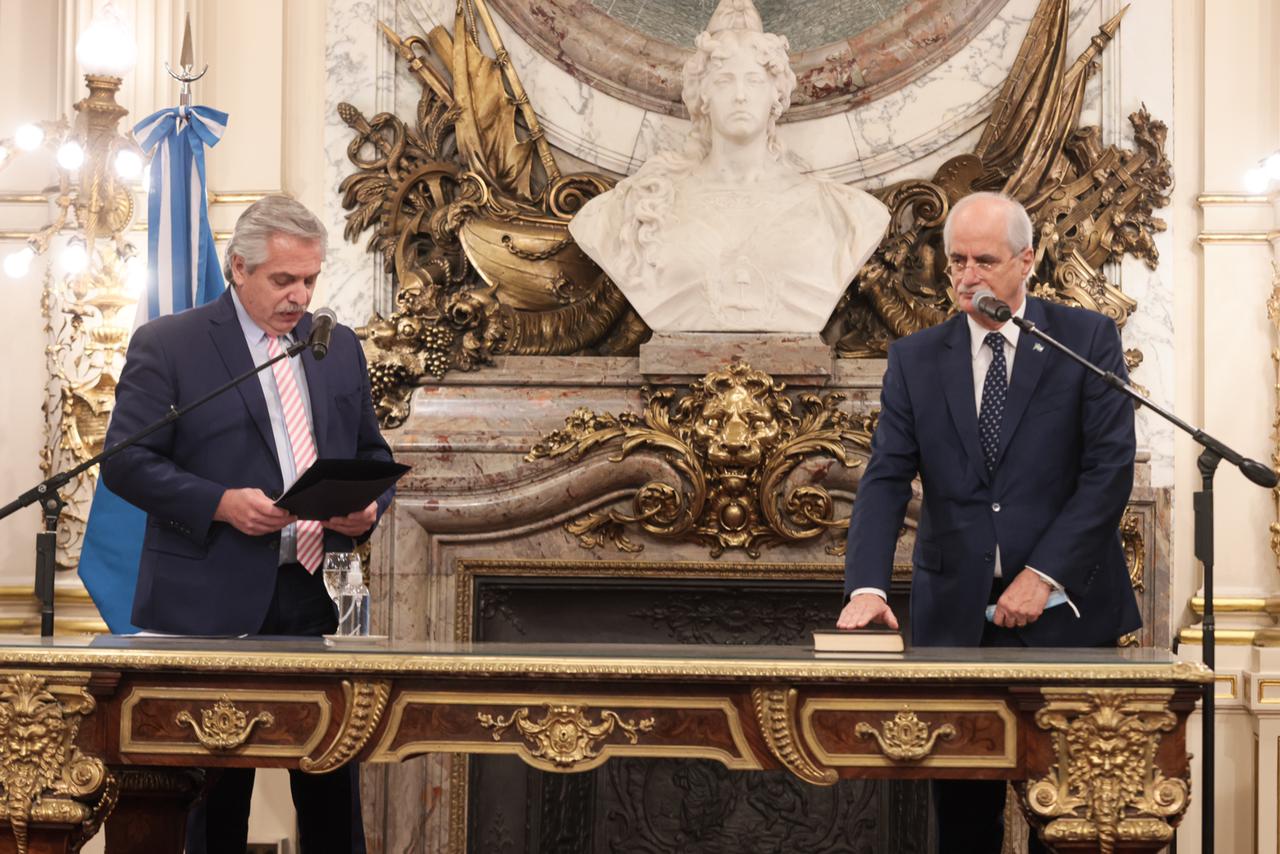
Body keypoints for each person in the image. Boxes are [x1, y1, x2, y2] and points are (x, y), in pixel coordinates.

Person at [836, 192, 1141, 853]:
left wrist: (1044, 574)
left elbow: (1109, 471)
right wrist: (866, 587)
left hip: (1067, 617)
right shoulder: (916, 357)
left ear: (1026, 262)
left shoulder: (1085, 340)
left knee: (1072, 824)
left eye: (984, 261)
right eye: (956, 262)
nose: (967, 276)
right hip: (956, 623)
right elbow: (886, 478)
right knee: (964, 824)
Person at [102, 194, 394, 853]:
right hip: (212, 601)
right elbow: (124, 462)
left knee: (331, 792)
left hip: (316, 598)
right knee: (216, 803)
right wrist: (220, 502)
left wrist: (368, 508)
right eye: (283, 279)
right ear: (239, 267)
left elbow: (372, 456)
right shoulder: (171, 343)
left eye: (310, 279)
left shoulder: (336, 345)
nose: (301, 296)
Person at [569, 0, 889, 332]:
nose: (740, 95)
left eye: (753, 80)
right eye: (724, 81)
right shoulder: (641, 204)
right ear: (703, 96)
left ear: (776, 95)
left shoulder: (842, 211)